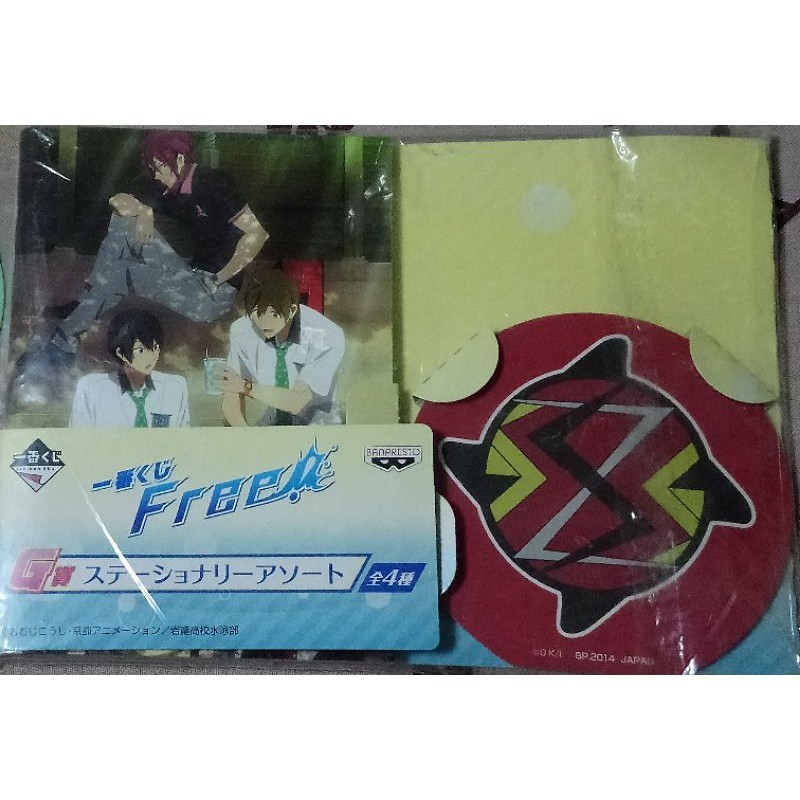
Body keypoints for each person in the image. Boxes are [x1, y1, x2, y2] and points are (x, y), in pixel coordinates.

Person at [24, 129, 269, 377]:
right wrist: (144, 211)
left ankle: (63, 343)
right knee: (125, 221)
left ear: (180, 159)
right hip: (191, 275)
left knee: (120, 272)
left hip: (214, 295)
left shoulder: (213, 183)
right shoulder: (170, 186)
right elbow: (117, 200)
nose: (156, 175)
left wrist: (219, 278)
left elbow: (257, 234)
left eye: (159, 167)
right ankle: (88, 301)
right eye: (152, 169)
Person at [221, 266, 345, 427]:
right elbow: (231, 393)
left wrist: (246, 387)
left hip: (320, 421)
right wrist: (245, 434)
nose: (264, 322)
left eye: (273, 313)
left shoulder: (326, 334)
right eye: (257, 312)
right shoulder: (242, 331)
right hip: (273, 418)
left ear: (292, 310)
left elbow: (297, 402)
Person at [70, 309, 189, 428]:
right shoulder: (92, 388)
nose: (152, 356)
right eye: (141, 350)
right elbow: (78, 436)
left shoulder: (175, 387)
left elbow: (186, 436)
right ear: (121, 353)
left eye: (154, 347)